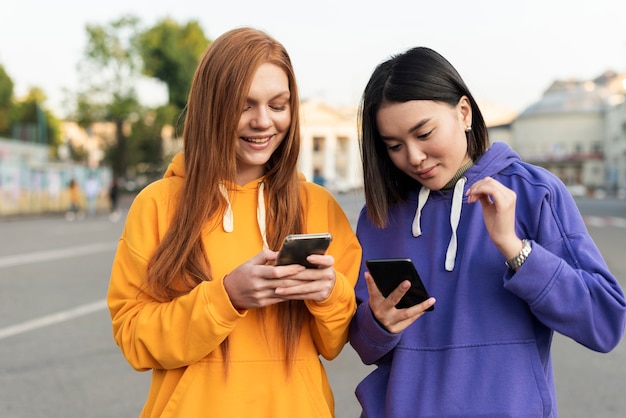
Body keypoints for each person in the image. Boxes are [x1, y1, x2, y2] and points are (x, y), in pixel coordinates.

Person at [349, 46, 626, 417]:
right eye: (395, 146)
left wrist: (516, 250)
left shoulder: (533, 193)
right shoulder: (380, 215)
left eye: (425, 133)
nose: (413, 157)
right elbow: (365, 346)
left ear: (463, 112)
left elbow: (604, 322)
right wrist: (379, 324)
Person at [107, 27, 361, 418]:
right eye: (245, 106)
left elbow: (335, 342)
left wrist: (329, 293)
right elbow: (135, 340)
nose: (264, 121)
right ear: (211, 106)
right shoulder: (157, 205)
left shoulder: (319, 205)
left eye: (279, 105)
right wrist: (225, 297)